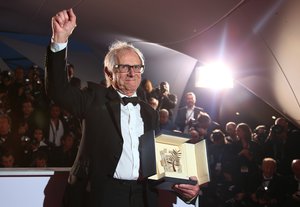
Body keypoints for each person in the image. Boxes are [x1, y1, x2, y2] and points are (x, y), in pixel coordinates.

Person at [46, 8, 199, 207]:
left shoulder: (150, 112)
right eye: (124, 67)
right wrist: (59, 40)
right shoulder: (93, 99)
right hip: (101, 195)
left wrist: (186, 188)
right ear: (109, 72)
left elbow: (158, 164)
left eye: (137, 67)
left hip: (141, 196)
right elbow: (58, 90)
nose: (132, 73)